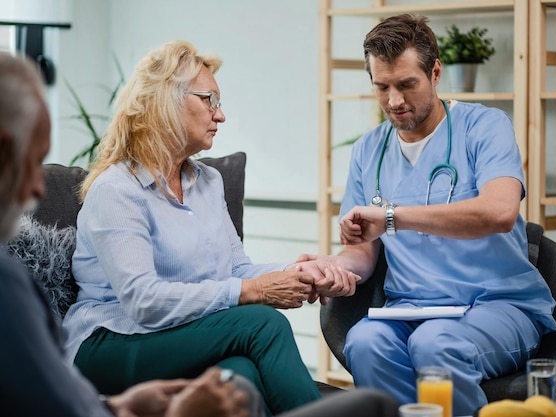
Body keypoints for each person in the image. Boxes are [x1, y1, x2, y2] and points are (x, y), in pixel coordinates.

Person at [0, 48, 401, 417]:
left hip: (181, 335)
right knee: (262, 322)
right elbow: (144, 302)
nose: (220, 114)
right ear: (164, 103)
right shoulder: (116, 191)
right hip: (107, 341)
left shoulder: (207, 182)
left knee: (237, 374)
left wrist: (306, 269)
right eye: (209, 100)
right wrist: (256, 291)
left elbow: (235, 269)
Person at [298, 14, 556, 416]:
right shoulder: (368, 150)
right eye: (381, 87)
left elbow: (501, 211)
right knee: (364, 343)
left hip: (497, 306)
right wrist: (332, 267)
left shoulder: (484, 127)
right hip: (410, 308)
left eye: (407, 85)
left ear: (435, 73)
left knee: (436, 343)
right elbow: (363, 252)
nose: (394, 101)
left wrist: (391, 217)